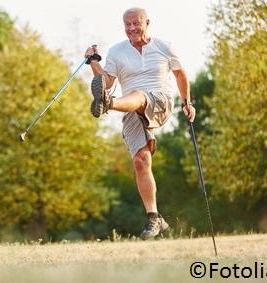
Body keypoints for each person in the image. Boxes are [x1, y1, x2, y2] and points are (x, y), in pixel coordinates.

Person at [84, 7, 195, 240]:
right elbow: (106, 81)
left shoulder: (164, 46)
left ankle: (108, 105)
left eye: (136, 23)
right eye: (127, 25)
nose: (132, 28)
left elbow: (180, 75)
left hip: (160, 101)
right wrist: (93, 61)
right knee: (140, 161)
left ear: (147, 22)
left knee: (139, 94)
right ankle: (155, 218)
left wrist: (187, 103)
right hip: (131, 108)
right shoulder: (116, 51)